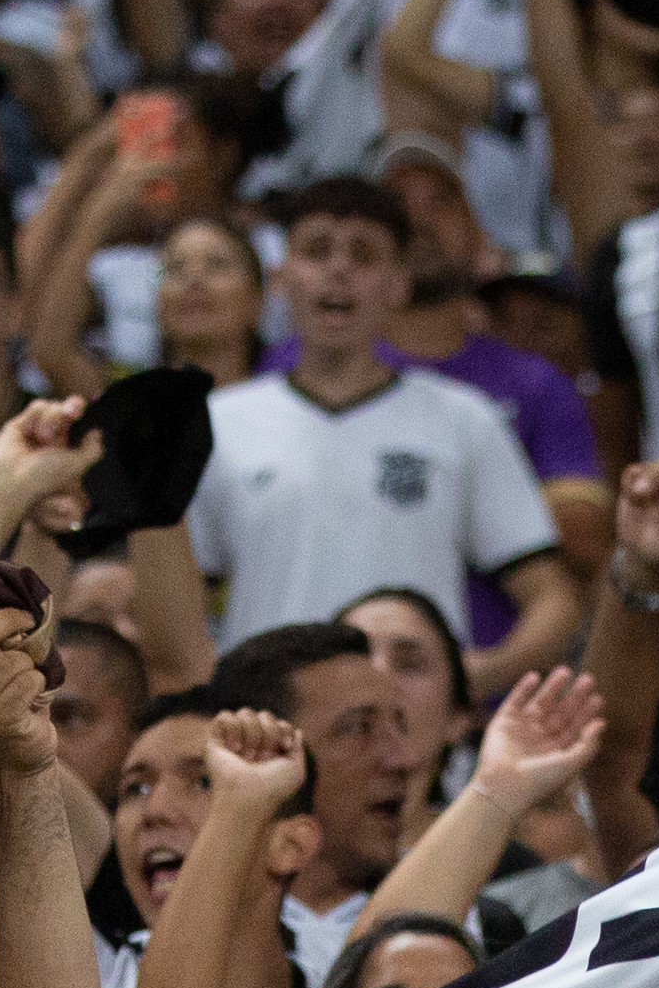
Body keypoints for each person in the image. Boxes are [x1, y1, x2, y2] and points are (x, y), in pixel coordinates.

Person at [190, 182, 579, 668]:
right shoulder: (219, 422)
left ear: (399, 283)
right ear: (281, 277)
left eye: (363, 253)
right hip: (262, 730)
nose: (338, 269)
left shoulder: (464, 418)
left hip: (409, 735)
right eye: (316, 250)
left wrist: (471, 682)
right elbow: (178, 606)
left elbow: (553, 598)